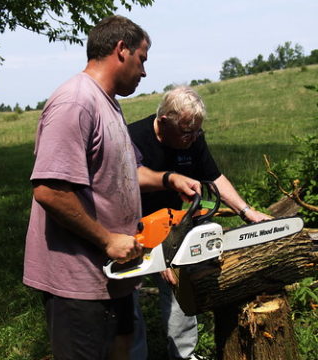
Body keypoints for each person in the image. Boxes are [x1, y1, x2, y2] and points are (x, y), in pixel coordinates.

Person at [23, 17, 201, 360]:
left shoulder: (108, 103)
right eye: (142, 59)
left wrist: (168, 179)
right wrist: (107, 240)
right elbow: (49, 190)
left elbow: (123, 172)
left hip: (113, 273)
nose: (144, 72)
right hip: (78, 281)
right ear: (122, 50)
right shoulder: (75, 102)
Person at [128, 86, 270, 360]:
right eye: (186, 132)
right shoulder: (134, 138)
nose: (192, 139)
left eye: (197, 132)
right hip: (133, 225)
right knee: (128, 296)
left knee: (182, 280)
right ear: (164, 120)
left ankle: (184, 354)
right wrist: (157, 253)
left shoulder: (192, 138)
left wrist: (246, 211)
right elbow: (127, 184)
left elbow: (213, 177)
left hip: (173, 223)